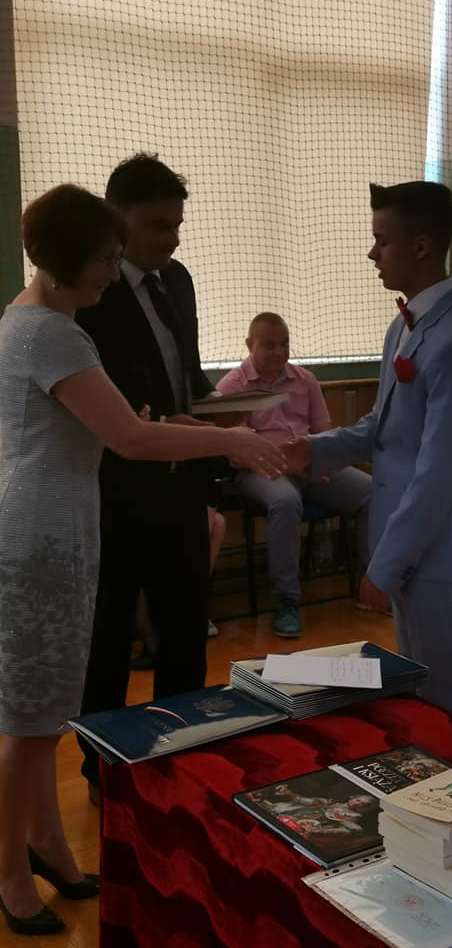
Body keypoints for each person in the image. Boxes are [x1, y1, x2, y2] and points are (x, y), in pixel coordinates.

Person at [0, 184, 284, 936]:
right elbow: (128, 438)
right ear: (70, 259)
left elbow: (107, 425)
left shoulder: (29, 318)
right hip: (42, 532)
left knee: (43, 715)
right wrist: (228, 439)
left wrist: (165, 423)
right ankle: (9, 873)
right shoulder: (53, 332)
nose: (110, 272)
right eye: (103, 259)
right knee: (27, 720)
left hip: (55, 521)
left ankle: (46, 843)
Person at [283, 181, 452, 722]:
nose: (372, 253)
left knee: (448, 702)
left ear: (421, 246)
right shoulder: (404, 327)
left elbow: (438, 475)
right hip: (412, 543)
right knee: (419, 692)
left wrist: (386, 565)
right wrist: (311, 450)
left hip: (440, 548)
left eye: (382, 240)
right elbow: (382, 426)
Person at [73, 153, 240, 801]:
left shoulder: (179, 281)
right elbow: (97, 406)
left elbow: (186, 375)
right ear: (117, 222)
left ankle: (179, 756)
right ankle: (103, 773)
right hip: (113, 497)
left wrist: (223, 412)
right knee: (108, 643)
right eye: (158, 225)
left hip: (181, 488)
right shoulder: (89, 293)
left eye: (177, 224)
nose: (172, 238)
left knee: (185, 633)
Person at [215, 312, 371, 638]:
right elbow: (240, 451)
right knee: (285, 502)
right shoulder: (231, 387)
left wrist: (322, 463)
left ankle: (371, 584)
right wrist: (297, 466)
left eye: (284, 344)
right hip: (257, 470)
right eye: (269, 345)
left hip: (309, 465)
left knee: (373, 492)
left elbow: (324, 432)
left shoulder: (305, 380)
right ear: (249, 345)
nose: (279, 351)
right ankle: (286, 601)